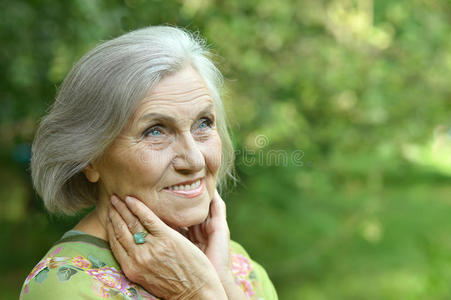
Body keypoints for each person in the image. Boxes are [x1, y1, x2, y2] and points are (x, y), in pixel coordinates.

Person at [20, 26, 278, 299]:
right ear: (90, 158)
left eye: (203, 123)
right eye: (155, 131)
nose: (194, 159)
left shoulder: (239, 268)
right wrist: (197, 292)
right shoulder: (64, 286)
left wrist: (221, 282)